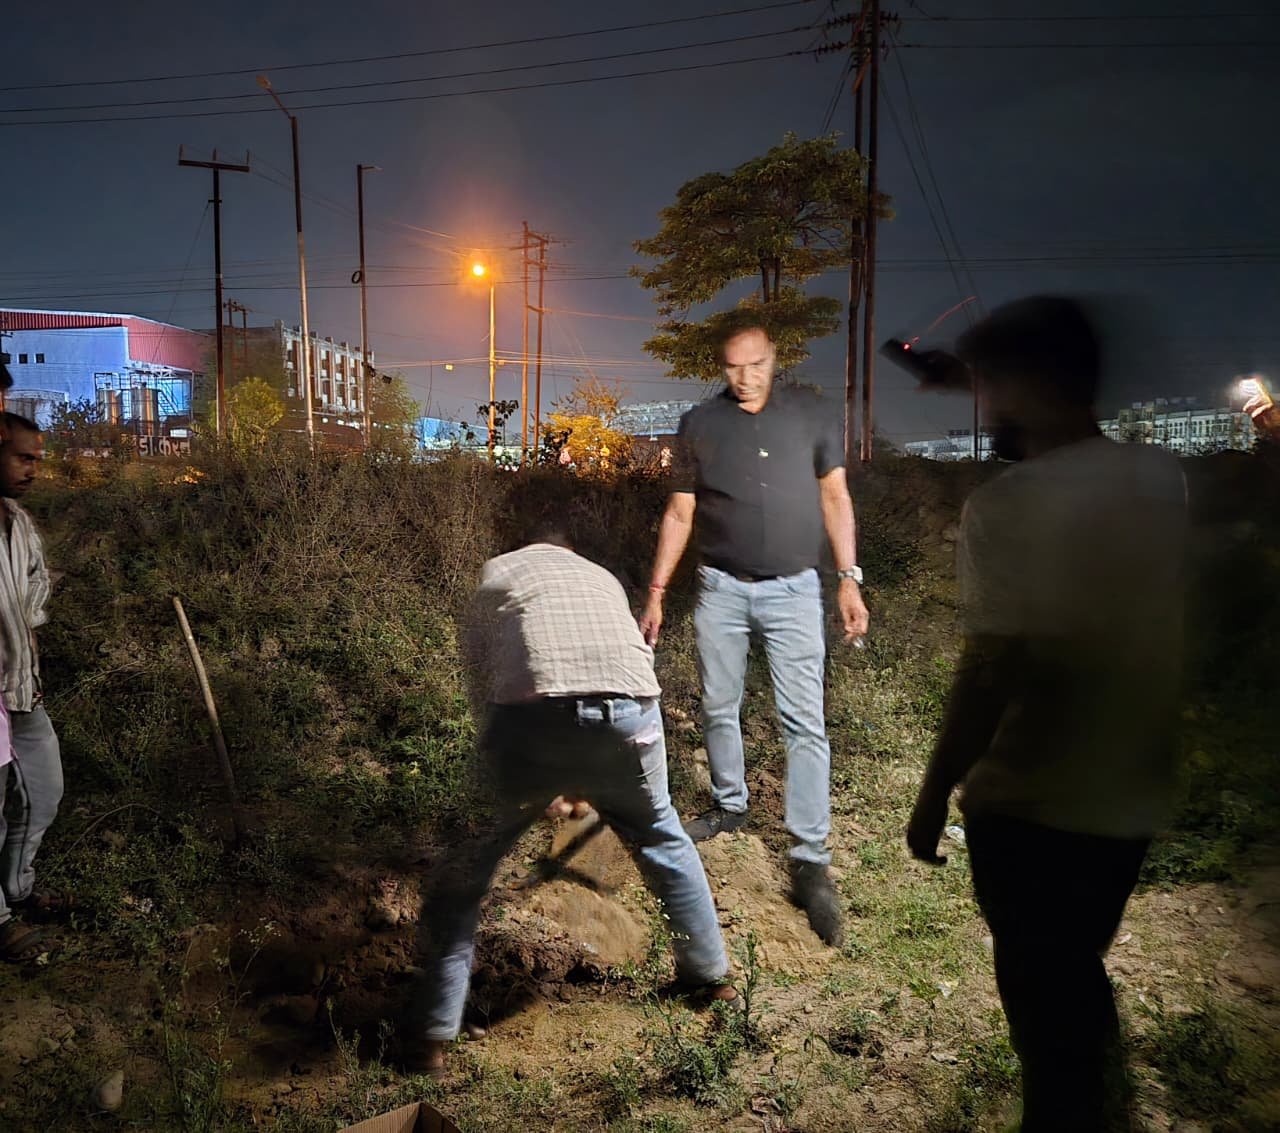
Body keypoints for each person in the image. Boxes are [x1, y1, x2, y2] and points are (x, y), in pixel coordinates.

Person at [905, 297, 1189, 1132]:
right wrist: (969, 374)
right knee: (1075, 973)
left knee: (1047, 1027)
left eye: (992, 387)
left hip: (1032, 803)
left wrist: (934, 792)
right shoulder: (1159, 481)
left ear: (1030, 384)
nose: (985, 407)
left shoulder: (1008, 506)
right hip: (1130, 792)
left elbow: (991, 670)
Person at [405, 528, 734, 1079]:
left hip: (534, 719)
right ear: (569, 550)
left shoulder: (498, 572)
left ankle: (431, 1038)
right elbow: (607, 671)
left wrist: (524, 773)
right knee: (660, 833)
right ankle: (711, 980)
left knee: (467, 868)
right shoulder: (601, 577)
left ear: (523, 545)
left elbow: (485, 679)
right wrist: (583, 776)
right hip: (632, 713)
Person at [639, 322, 869, 947]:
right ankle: (730, 806)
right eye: (734, 367)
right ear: (722, 367)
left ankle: (809, 858)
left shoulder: (811, 415)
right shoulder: (700, 424)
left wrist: (849, 580)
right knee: (719, 704)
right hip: (721, 589)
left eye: (757, 365)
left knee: (805, 723)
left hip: (795, 591)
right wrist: (657, 591)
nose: (746, 378)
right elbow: (680, 511)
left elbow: (836, 497)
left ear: (774, 359)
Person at [0, 412, 61, 962]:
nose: (33, 469)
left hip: (22, 689)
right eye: (23, 457)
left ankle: (17, 888)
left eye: (37, 459)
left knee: (43, 792)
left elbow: (38, 579)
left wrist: (30, 619)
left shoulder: (17, 522)